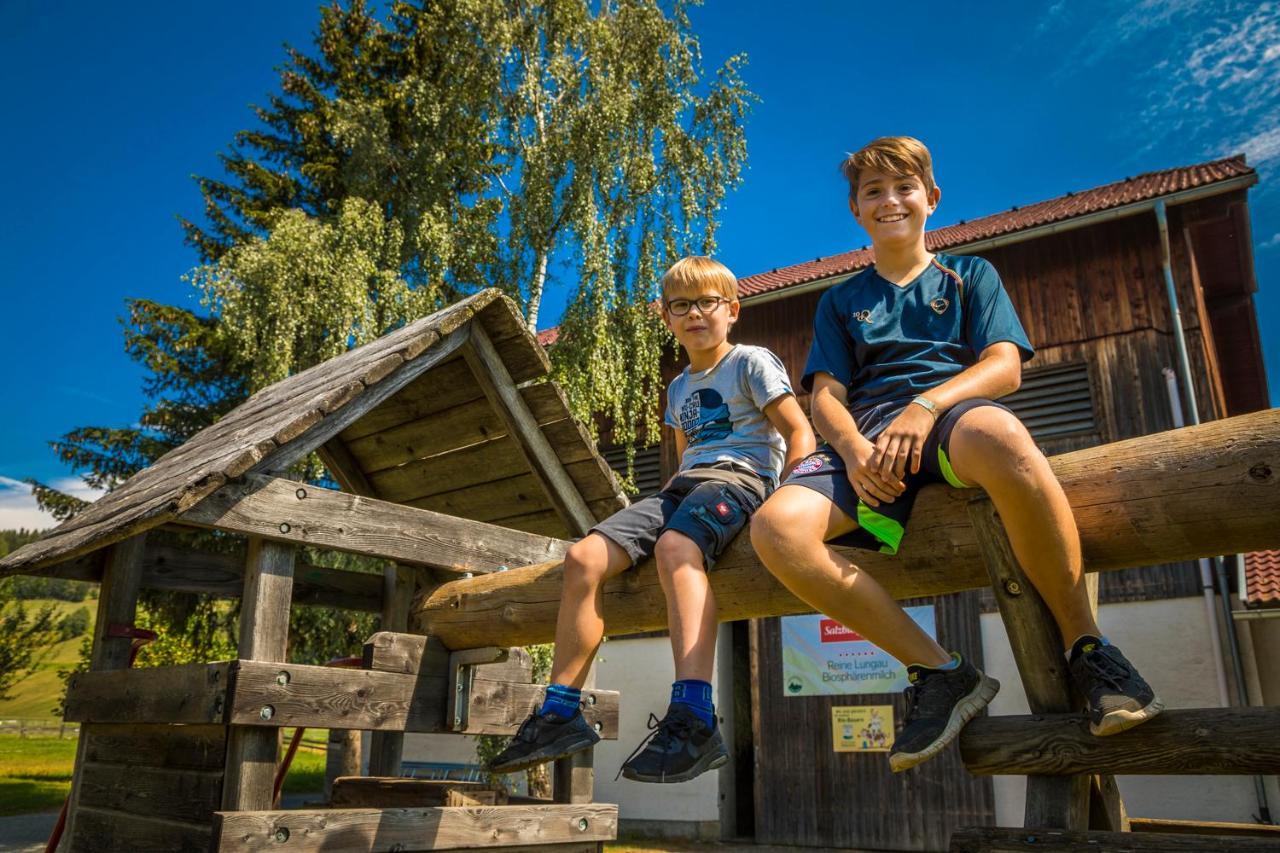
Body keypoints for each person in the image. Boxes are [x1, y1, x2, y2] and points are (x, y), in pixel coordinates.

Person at [750, 136, 1162, 773]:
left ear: (932, 198)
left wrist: (927, 406)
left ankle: (1089, 647)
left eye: (904, 186)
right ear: (857, 210)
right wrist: (855, 449)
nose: (890, 201)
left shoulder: (971, 276)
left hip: (948, 420)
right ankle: (942, 673)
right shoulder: (840, 300)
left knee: (1000, 435)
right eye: (873, 192)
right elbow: (826, 397)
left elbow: (1003, 367)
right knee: (776, 528)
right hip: (870, 440)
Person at [491, 255, 815, 782]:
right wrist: (654, 514)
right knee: (583, 556)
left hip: (743, 481)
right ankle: (560, 710)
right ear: (666, 318)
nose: (694, 314)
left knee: (675, 548)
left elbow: (800, 433)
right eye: (680, 306)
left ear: (731, 310)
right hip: (685, 487)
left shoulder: (750, 362)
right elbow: (685, 459)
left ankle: (693, 713)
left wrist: (791, 496)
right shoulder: (679, 388)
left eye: (707, 303)